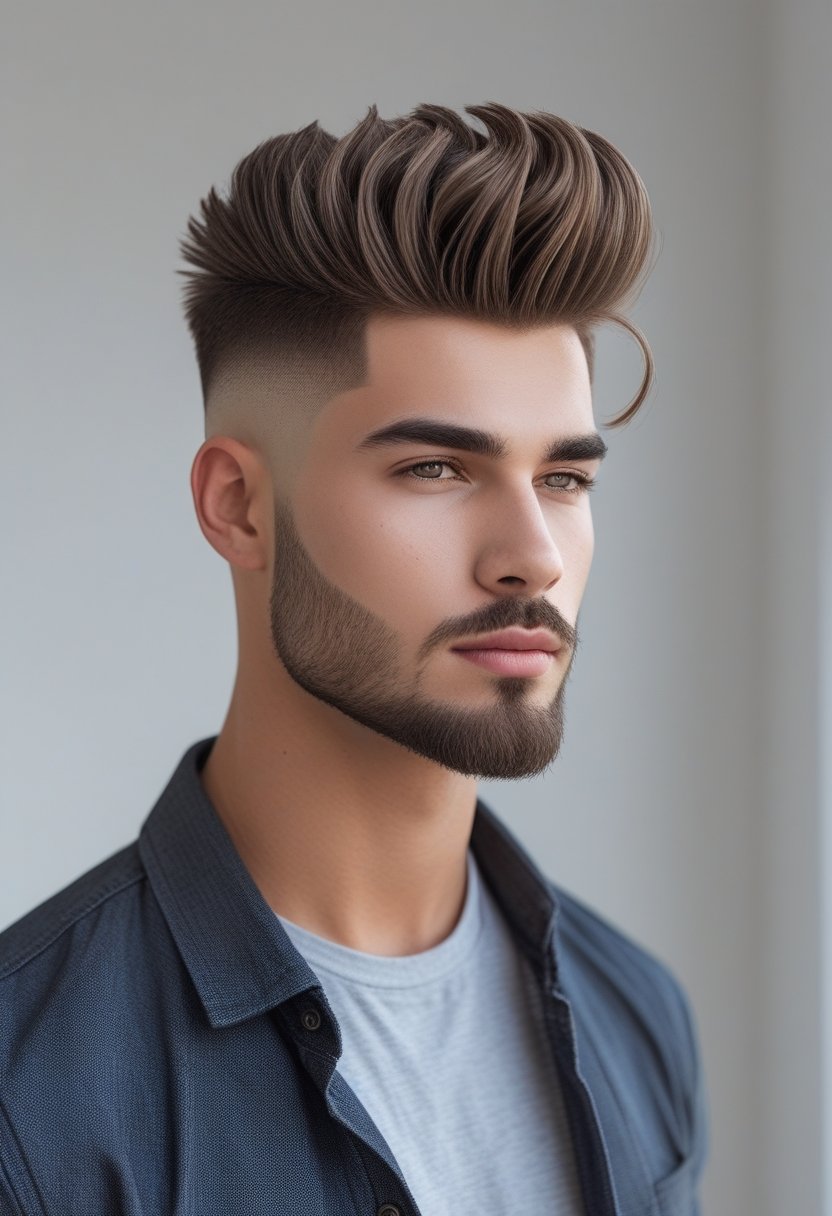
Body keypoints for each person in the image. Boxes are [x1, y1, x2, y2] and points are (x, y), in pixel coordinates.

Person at [0, 101, 708, 1215]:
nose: (531, 556)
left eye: (565, 480)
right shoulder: (26, 1087)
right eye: (435, 469)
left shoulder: (641, 1014)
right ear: (239, 506)